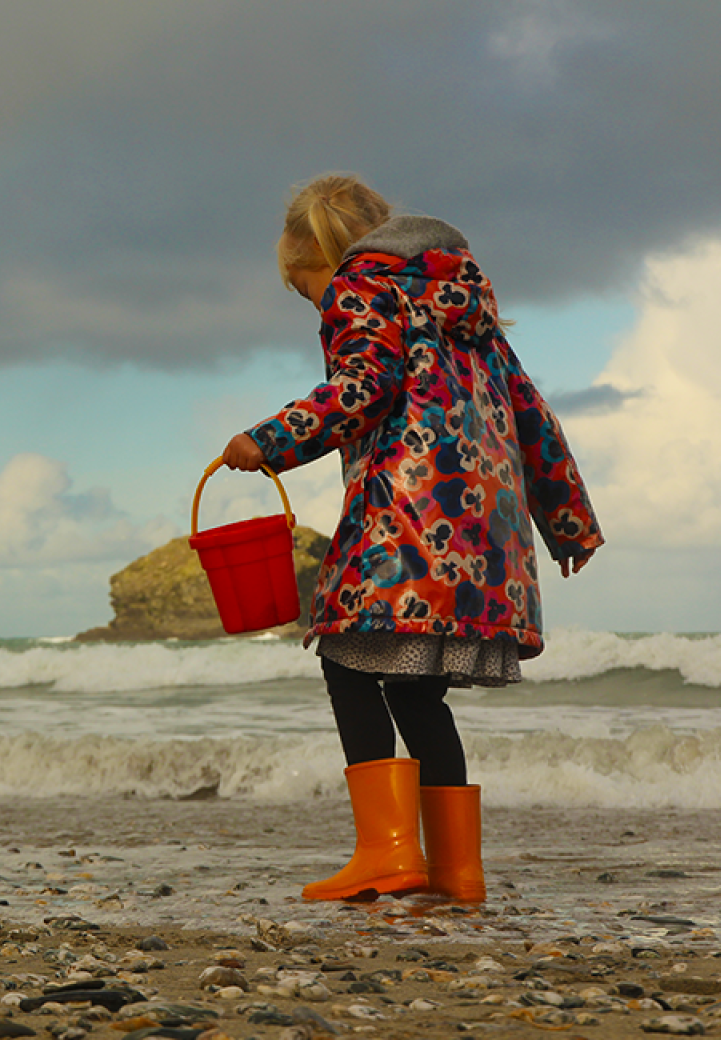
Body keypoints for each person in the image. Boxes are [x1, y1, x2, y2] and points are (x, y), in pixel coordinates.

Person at [222, 174, 603, 903]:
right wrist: (568, 520)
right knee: (419, 696)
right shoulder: (465, 305)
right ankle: (459, 872)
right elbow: (531, 415)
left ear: (324, 260)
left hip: (407, 520)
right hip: (485, 537)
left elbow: (365, 385)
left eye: (304, 292)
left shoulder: (358, 289)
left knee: (343, 656)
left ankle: (387, 855)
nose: (314, 307)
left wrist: (268, 440)